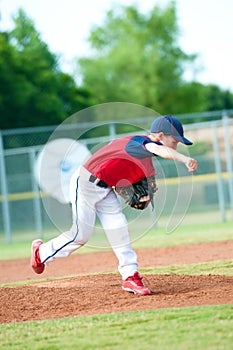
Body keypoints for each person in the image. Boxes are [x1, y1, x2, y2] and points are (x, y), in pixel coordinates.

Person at [31, 115, 198, 295]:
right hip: (85, 183)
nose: (175, 146)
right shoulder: (139, 143)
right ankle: (41, 253)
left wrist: (142, 198)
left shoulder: (146, 161)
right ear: (159, 135)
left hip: (105, 188)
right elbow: (160, 150)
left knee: (119, 229)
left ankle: (130, 276)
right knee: (80, 236)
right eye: (174, 141)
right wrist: (184, 159)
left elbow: (142, 189)